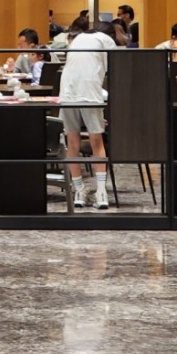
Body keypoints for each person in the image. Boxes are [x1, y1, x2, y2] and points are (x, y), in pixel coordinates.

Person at [60, 17, 114, 210]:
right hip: (90, 91)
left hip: (67, 91)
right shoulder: (106, 40)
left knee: (72, 142)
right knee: (96, 141)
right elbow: (113, 69)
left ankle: (79, 190)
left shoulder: (78, 39)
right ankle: (101, 192)